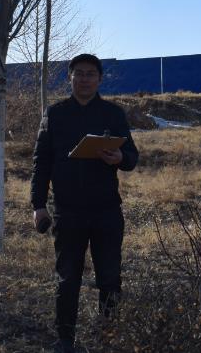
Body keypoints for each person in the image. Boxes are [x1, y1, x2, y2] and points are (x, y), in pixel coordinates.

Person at [31, 53, 139, 353]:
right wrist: (38, 204)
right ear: (70, 77)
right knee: (67, 278)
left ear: (99, 79)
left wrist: (120, 158)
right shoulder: (55, 114)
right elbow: (41, 162)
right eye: (79, 73)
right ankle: (65, 339)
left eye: (91, 74)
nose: (85, 79)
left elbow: (131, 156)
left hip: (106, 209)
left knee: (109, 276)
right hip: (68, 211)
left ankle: (109, 333)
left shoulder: (113, 114)